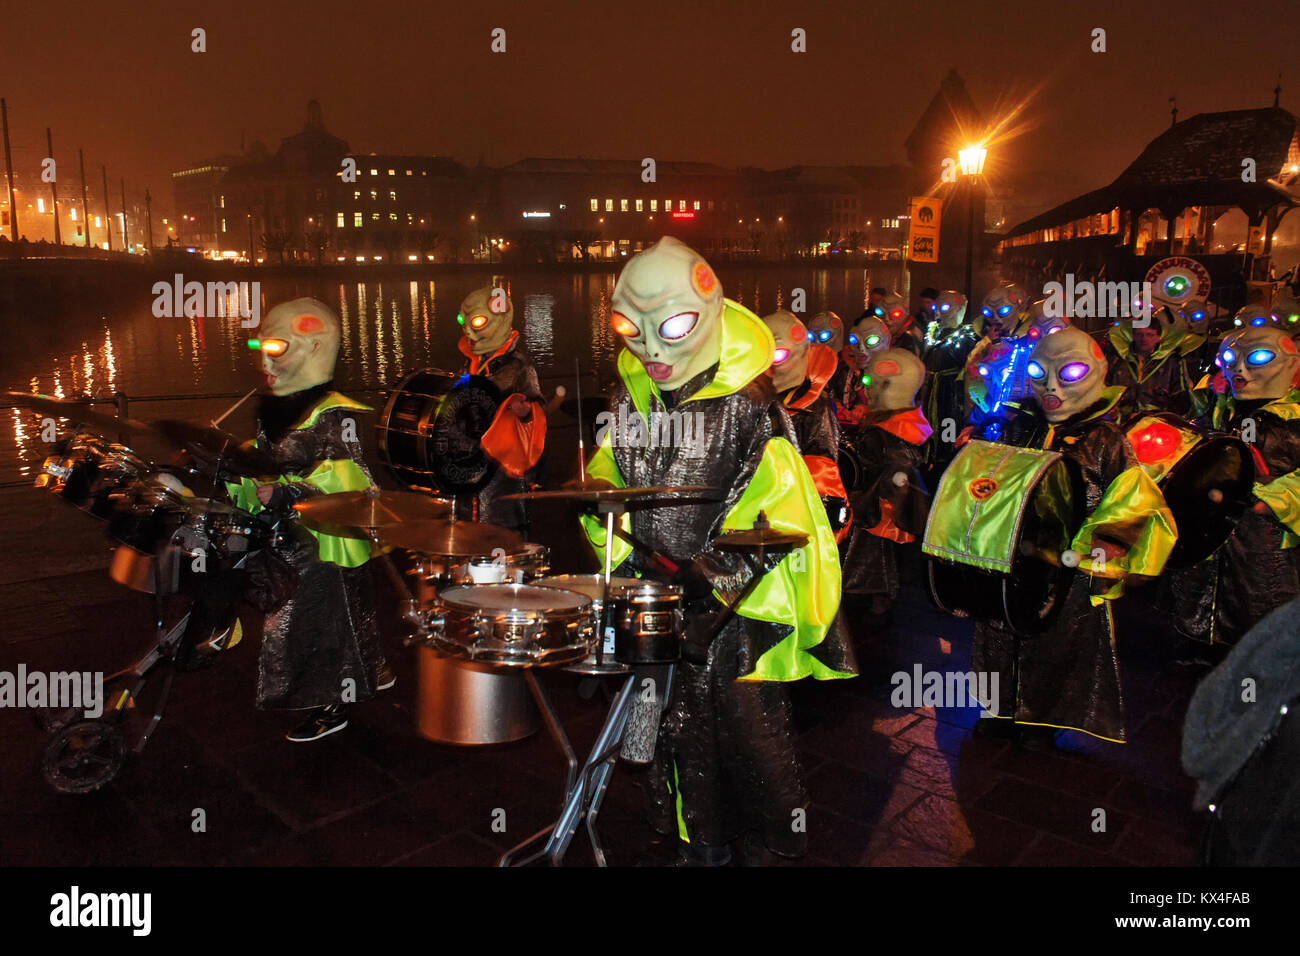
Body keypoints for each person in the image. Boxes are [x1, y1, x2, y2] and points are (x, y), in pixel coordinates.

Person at [581, 237, 855, 865]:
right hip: (652, 596)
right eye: (629, 328)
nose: (650, 350)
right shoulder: (630, 399)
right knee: (663, 721)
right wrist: (610, 536)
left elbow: (781, 514)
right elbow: (607, 479)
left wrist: (720, 576)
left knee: (743, 730)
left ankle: (758, 840)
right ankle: (691, 835)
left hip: (732, 612)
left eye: (671, 327)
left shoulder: (750, 407)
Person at [969, 325, 1176, 746]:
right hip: (1011, 557)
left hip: (1069, 567)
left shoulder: (1107, 439)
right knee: (1000, 630)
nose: (1051, 387)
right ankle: (1000, 707)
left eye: (1070, 372)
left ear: (1096, 374)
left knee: (1058, 641)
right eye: (1040, 372)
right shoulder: (1016, 426)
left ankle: (1043, 718)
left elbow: (1135, 501)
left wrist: (1099, 545)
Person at [230, 297, 390, 742]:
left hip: (322, 538)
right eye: (260, 346)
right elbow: (264, 460)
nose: (264, 359)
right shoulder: (280, 407)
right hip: (291, 535)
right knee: (328, 613)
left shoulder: (335, 413)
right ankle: (368, 670)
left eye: (277, 348)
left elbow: (351, 479)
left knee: (318, 619)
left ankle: (333, 703)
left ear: (317, 347)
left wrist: (291, 490)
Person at [1163, 324, 1300, 645]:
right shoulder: (1223, 409)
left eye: (1258, 357)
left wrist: (1275, 500)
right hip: (1210, 528)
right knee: (1200, 606)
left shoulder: (1293, 419)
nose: (1239, 368)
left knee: (1259, 615)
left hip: (1264, 539)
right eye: (1230, 357)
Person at [840, 349, 932, 614]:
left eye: (868, 382)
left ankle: (877, 601)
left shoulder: (888, 436)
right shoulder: (911, 428)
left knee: (876, 571)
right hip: (888, 523)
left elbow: (889, 485)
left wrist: (857, 501)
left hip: (876, 523)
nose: (863, 389)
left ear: (887, 382)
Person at [454, 285, 548, 531]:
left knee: (506, 545)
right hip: (469, 472)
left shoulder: (518, 368)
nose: (468, 332)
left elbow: (536, 418)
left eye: (477, 322)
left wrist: (525, 413)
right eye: (463, 322)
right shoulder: (470, 365)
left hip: (504, 479)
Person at [761, 309, 850, 541]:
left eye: (777, 353)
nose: (769, 362)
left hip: (793, 514)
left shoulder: (815, 405)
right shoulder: (757, 398)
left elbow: (823, 470)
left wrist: (818, 531)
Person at [964, 284, 1034, 440]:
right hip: (986, 399)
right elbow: (972, 366)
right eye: (989, 312)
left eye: (1003, 311)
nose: (996, 318)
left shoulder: (1028, 338)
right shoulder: (983, 337)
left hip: (1016, 405)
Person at [1104, 307, 1195, 418]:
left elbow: (1181, 396)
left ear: (1158, 337)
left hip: (1156, 423)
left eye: (1149, 334)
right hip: (1122, 420)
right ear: (1133, 336)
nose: (1144, 339)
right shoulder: (1118, 358)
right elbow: (1105, 387)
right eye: (1139, 334)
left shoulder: (1172, 361)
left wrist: (1165, 416)